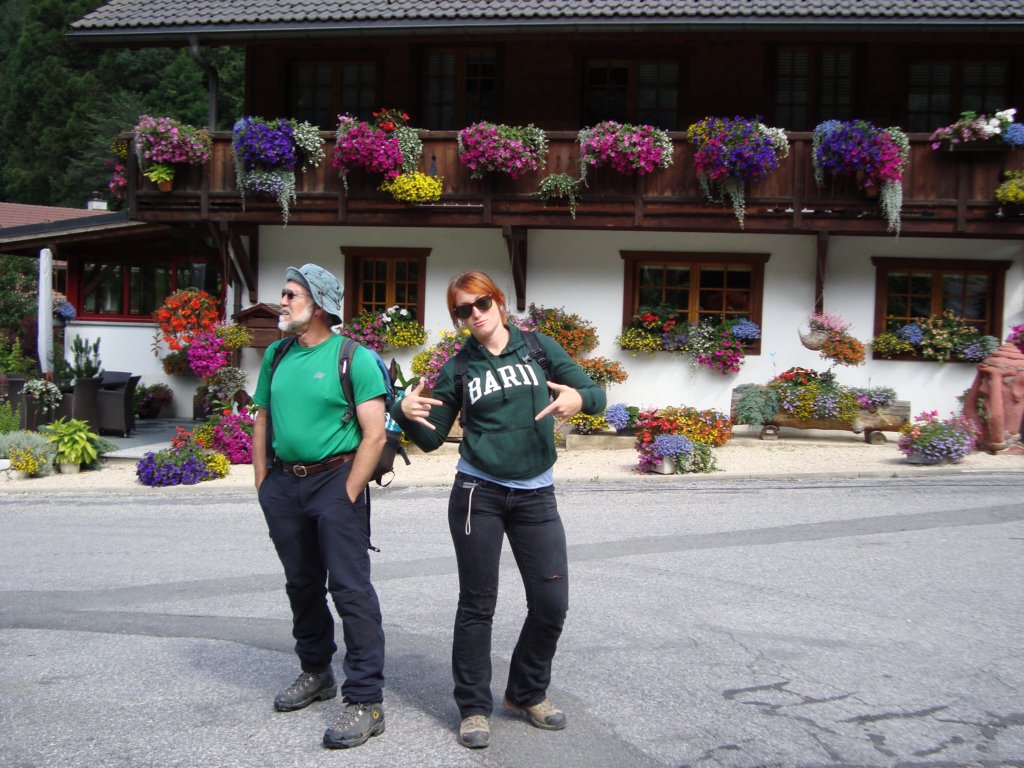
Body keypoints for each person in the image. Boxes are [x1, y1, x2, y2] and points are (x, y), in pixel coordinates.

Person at [390, 271, 606, 749]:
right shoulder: (459, 368)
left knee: (551, 603)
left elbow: (595, 394)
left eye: (481, 303)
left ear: (499, 302)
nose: (475, 315)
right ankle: (472, 707)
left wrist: (578, 398)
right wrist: (404, 416)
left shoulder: (538, 348)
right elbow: (431, 439)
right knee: (477, 604)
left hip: (536, 495)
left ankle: (525, 692)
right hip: (477, 494)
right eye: (463, 311)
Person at [251, 263, 388, 750]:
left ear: (319, 304)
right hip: (285, 486)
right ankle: (316, 671)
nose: (281, 302)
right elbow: (263, 418)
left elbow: (375, 434)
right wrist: (263, 484)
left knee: (350, 590)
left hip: (336, 480)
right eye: (283, 294)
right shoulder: (277, 354)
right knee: (302, 584)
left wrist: (349, 492)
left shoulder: (356, 358)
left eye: (290, 295)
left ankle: (366, 699)